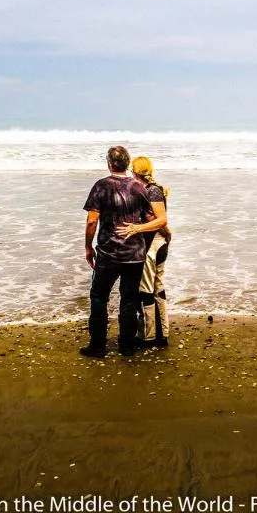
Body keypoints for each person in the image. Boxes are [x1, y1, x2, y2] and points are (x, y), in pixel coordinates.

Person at [81, 146, 165, 357]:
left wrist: (88, 247)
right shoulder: (138, 187)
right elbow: (151, 220)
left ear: (109, 164)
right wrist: (141, 237)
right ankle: (126, 345)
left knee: (99, 297)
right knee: (128, 299)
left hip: (108, 253)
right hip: (134, 254)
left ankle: (98, 346)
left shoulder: (101, 186)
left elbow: (92, 220)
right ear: (127, 164)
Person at [118, 156, 171, 347]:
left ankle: (149, 336)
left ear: (134, 171)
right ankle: (162, 334)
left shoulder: (152, 191)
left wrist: (136, 228)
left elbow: (161, 220)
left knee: (147, 290)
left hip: (153, 245)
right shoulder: (147, 190)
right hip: (157, 243)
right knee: (157, 288)